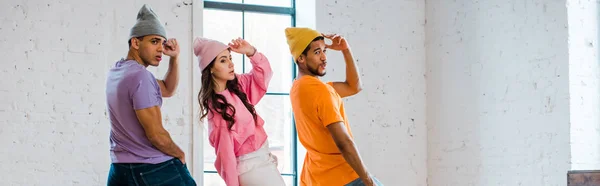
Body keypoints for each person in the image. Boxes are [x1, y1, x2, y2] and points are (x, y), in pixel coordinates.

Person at [105, 4, 196, 186]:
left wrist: (175, 58)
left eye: (162, 43)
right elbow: (156, 135)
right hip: (151, 168)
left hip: (119, 168)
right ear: (135, 43)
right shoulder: (141, 77)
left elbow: (168, 89)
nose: (161, 49)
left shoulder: (117, 71)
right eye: (154, 41)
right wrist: (180, 154)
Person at [285, 27, 384, 186]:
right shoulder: (321, 92)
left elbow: (353, 87)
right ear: (301, 58)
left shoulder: (297, 88)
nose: (324, 58)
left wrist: (345, 50)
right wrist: (368, 180)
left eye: (325, 51)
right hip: (345, 177)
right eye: (317, 52)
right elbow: (344, 142)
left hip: (315, 179)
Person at [193, 36, 285, 186]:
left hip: (264, 161)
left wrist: (251, 52)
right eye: (223, 60)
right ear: (210, 68)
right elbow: (226, 156)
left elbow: (263, 76)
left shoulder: (237, 86)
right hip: (252, 169)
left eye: (230, 58)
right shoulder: (217, 109)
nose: (230, 64)